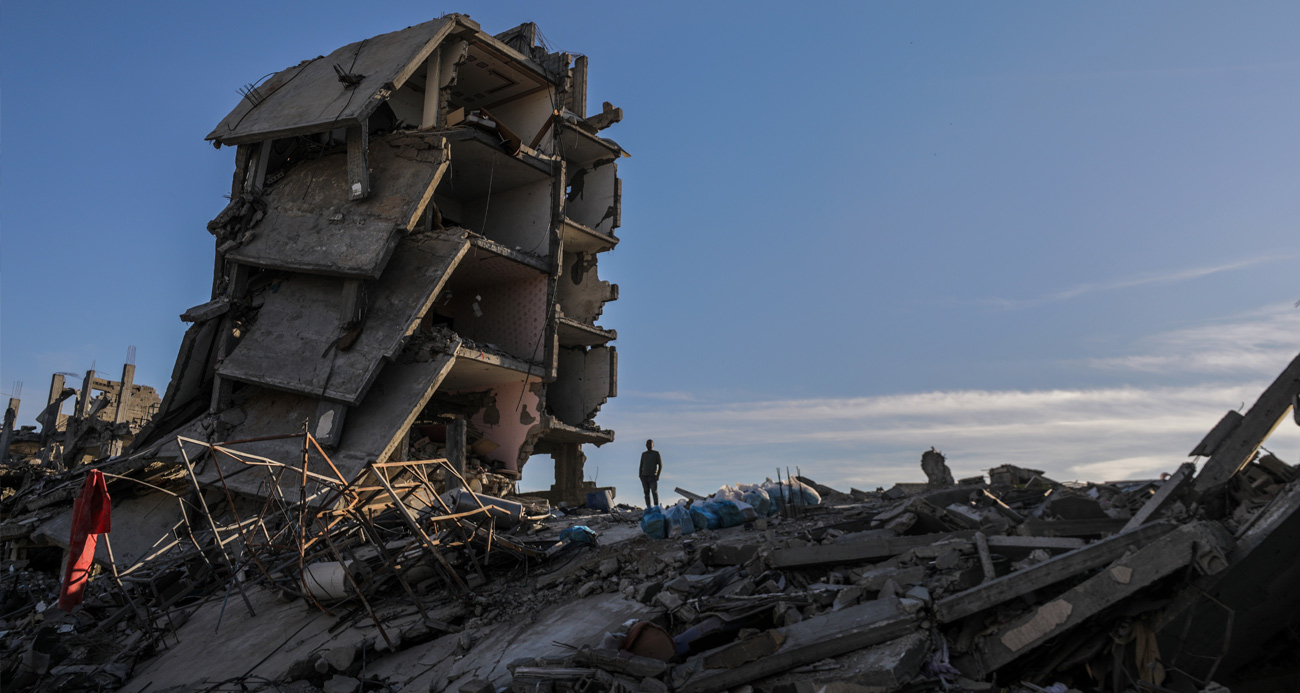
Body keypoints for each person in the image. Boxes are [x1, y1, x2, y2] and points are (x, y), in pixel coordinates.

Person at [639, 439, 662, 507]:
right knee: (646, 493)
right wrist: (640, 475)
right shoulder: (644, 454)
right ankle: (648, 507)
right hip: (644, 476)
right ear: (646, 445)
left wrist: (658, 475)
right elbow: (641, 466)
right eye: (648, 444)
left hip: (652, 476)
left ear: (653, 445)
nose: (649, 445)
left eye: (650, 443)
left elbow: (660, 465)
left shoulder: (656, 453)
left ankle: (656, 506)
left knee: (654, 492)